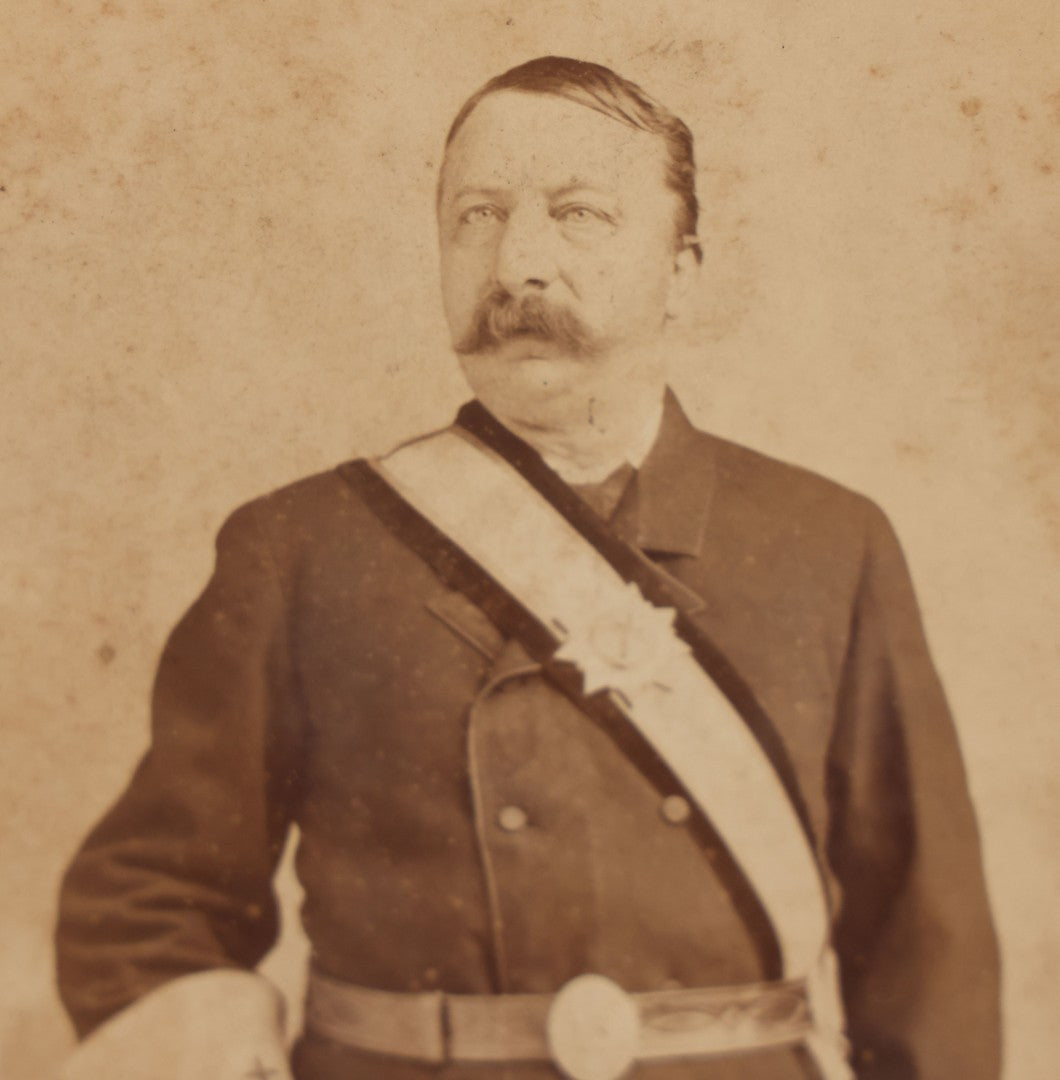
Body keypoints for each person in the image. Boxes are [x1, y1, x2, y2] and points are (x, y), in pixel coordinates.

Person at [55, 56, 1000, 1080]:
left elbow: (926, 948)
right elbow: (149, 903)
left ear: (681, 270)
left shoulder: (829, 543)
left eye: (579, 215)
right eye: (477, 217)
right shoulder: (295, 552)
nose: (517, 267)